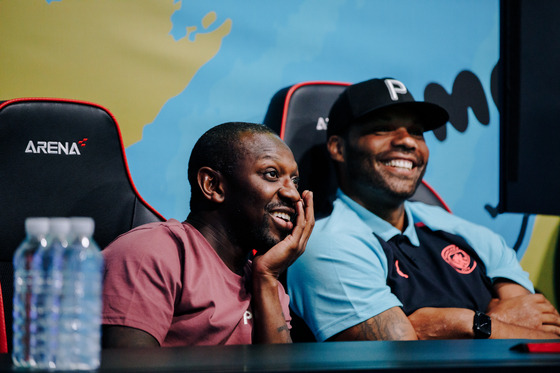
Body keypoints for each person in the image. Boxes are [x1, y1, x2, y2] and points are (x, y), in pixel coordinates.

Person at [287, 78, 560, 341]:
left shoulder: (458, 229)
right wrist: (472, 323)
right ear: (338, 147)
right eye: (382, 128)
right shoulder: (328, 244)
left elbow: (540, 325)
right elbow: (397, 350)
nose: (407, 141)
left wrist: (460, 323)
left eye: (416, 132)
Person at [101, 122, 314, 347]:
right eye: (271, 174)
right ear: (212, 185)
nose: (293, 194)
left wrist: (268, 278)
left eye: (295, 181)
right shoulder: (150, 254)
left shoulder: (265, 278)